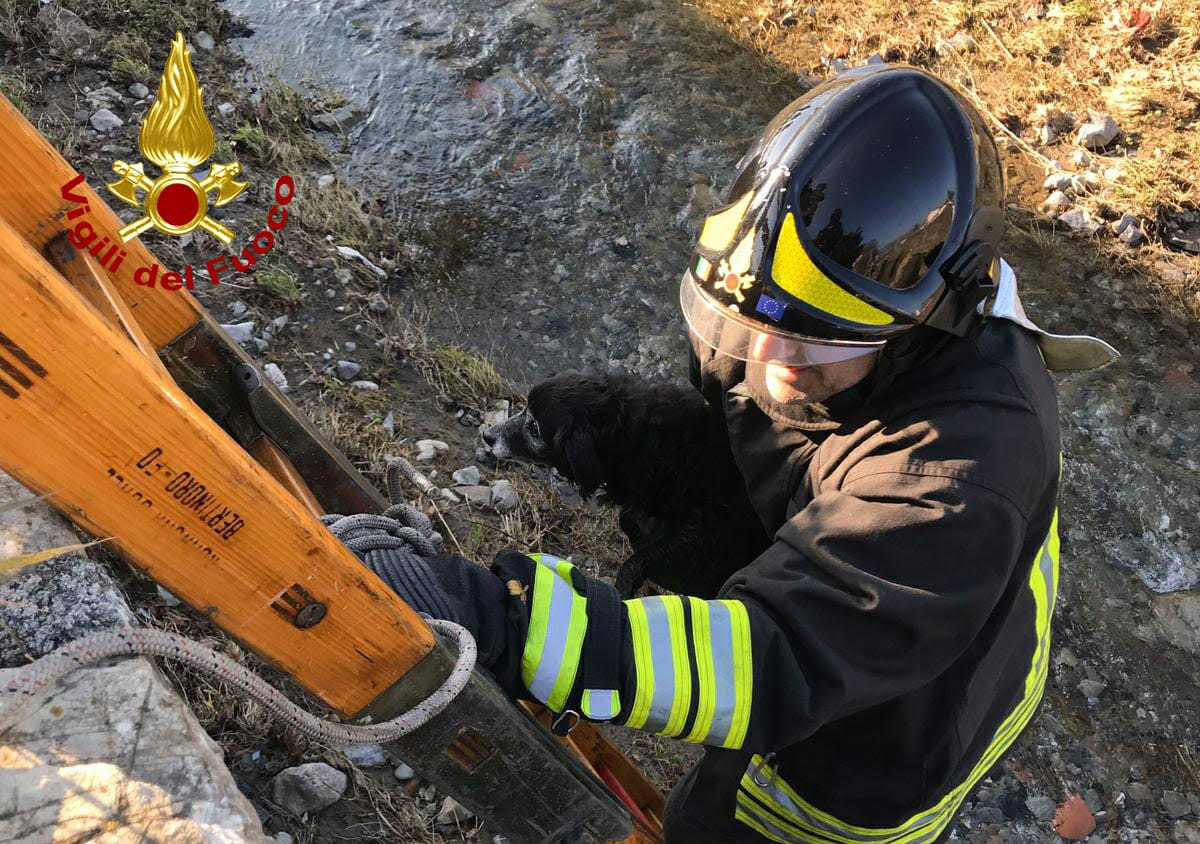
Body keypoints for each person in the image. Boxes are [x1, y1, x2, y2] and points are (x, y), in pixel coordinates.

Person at [373, 65, 1115, 842]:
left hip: (889, 741)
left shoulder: (954, 478)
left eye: (814, 338)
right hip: (876, 585)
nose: (766, 362)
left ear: (927, 316)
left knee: (728, 821)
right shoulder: (772, 306)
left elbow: (773, 660)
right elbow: (740, 427)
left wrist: (507, 618)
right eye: (751, 320)